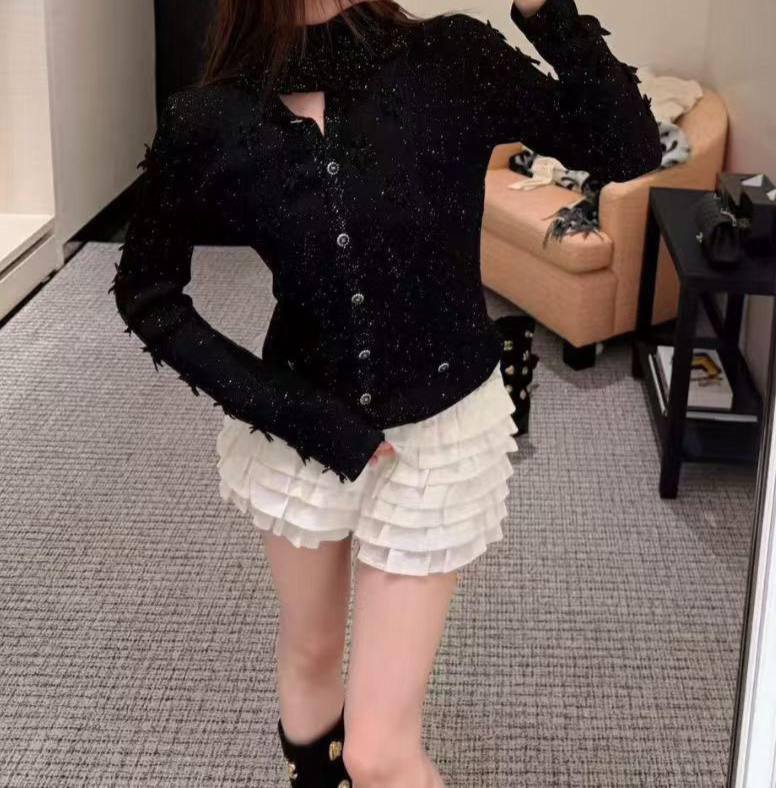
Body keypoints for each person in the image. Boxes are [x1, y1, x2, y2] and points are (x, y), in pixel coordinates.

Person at [110, 0, 662, 784]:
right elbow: (148, 293)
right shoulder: (210, 118)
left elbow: (627, 145)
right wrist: (296, 414)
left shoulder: (451, 57)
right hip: (300, 433)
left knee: (378, 755)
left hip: (438, 434)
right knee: (310, 652)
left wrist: (545, 9)